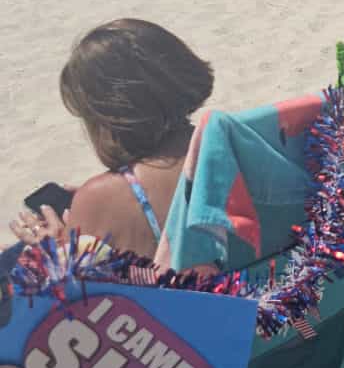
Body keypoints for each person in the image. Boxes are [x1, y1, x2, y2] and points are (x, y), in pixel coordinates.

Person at [8, 19, 213, 257]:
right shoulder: (235, 141)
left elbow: (79, 289)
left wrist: (54, 254)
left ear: (106, 117)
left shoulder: (100, 199)